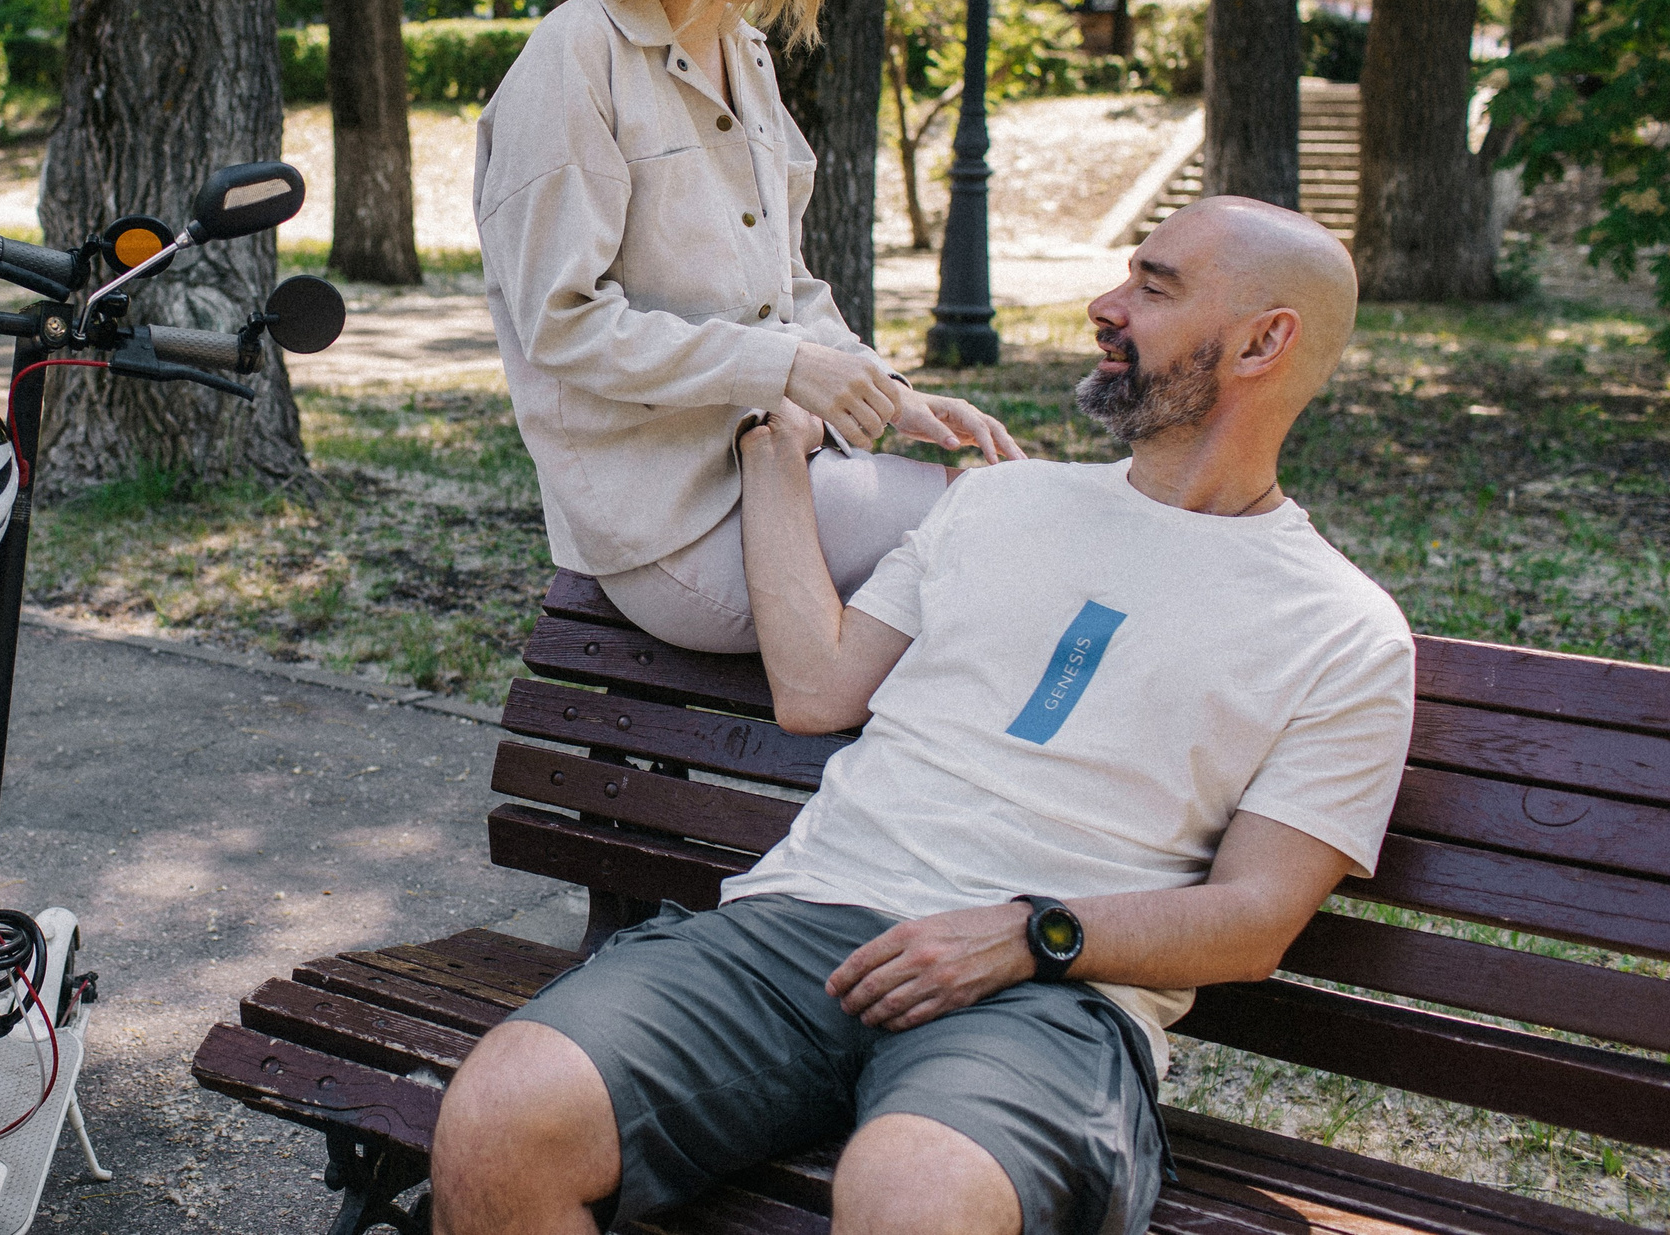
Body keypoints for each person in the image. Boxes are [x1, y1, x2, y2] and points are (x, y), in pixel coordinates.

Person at [431, 197, 1417, 1235]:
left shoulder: (1342, 631)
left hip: (1053, 999)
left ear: (1266, 340)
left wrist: (1030, 936)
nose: (1104, 305)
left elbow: (1256, 921)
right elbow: (815, 689)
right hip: (797, 932)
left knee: (915, 1202)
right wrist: (776, 454)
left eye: (1152, 287)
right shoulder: (996, 503)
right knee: (501, 1118)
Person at [474, 0, 1023, 657]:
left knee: (1017, 526)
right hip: (674, 531)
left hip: (781, 473)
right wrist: (779, 368)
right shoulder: (576, 59)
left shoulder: (747, 54)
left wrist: (892, 396)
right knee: (1000, 538)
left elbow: (787, 288)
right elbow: (562, 327)